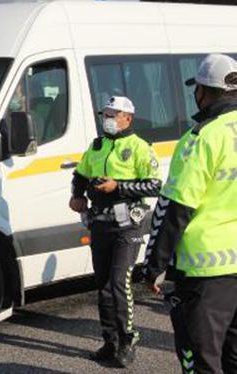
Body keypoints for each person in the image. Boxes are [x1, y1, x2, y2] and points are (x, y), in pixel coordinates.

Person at [143, 53, 237, 374]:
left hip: (205, 272)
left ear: (202, 90)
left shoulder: (201, 137)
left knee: (202, 362)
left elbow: (175, 207)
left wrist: (153, 266)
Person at [69, 96, 161, 368]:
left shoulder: (140, 147)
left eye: (113, 114)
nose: (107, 118)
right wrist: (76, 195)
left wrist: (118, 187)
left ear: (127, 118)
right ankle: (110, 342)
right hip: (99, 223)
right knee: (104, 286)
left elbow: (155, 185)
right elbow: (80, 174)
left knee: (119, 282)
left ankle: (127, 340)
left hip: (127, 225)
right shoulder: (97, 145)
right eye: (105, 114)